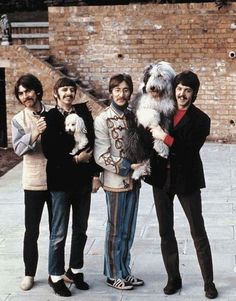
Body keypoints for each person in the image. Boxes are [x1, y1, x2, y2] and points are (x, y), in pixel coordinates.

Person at [149, 70, 218, 299]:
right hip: (161, 180)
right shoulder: (163, 111)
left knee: (198, 231)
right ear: (174, 89)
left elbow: (187, 151)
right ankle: (173, 278)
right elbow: (146, 133)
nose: (182, 93)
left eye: (187, 90)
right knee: (165, 231)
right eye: (179, 88)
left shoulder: (201, 120)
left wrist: (164, 137)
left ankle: (208, 282)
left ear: (193, 94)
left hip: (187, 180)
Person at [41, 77, 101, 297]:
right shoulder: (51, 117)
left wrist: (95, 174)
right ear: (56, 93)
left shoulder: (83, 114)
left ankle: (74, 270)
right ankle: (55, 276)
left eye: (71, 90)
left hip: (83, 182)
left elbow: (93, 143)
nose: (68, 93)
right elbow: (51, 150)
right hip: (60, 183)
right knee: (58, 232)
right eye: (64, 90)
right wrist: (76, 159)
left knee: (81, 229)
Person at [94, 73, 144, 290]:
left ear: (130, 92)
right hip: (115, 181)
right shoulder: (103, 118)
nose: (121, 94)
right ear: (110, 92)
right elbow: (100, 155)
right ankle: (113, 273)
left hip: (135, 180)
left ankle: (125, 270)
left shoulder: (134, 116)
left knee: (129, 228)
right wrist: (127, 166)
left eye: (125, 90)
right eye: (117, 90)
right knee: (116, 228)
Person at [11, 74, 52, 291]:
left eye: (28, 91)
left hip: (56, 180)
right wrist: (34, 133)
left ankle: (57, 272)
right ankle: (29, 273)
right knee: (32, 231)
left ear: (36, 90)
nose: (25, 96)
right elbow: (18, 149)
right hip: (34, 181)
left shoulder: (53, 112)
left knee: (58, 230)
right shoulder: (18, 119)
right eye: (21, 93)